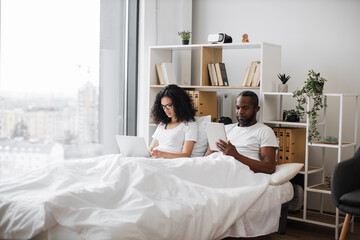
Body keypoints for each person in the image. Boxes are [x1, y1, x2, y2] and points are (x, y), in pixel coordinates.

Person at [205, 91, 278, 174]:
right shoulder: (225, 128)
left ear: (256, 109)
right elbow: (206, 158)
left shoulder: (264, 131)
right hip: (214, 166)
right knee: (188, 165)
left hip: (236, 170)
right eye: (237, 108)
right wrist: (211, 148)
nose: (240, 112)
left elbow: (270, 167)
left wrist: (236, 156)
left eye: (245, 108)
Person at [149, 84, 197, 158]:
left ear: (179, 104)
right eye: (163, 106)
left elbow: (186, 154)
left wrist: (163, 154)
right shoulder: (162, 124)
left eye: (168, 106)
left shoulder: (189, 124)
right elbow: (151, 149)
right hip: (155, 160)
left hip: (170, 162)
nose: (165, 110)